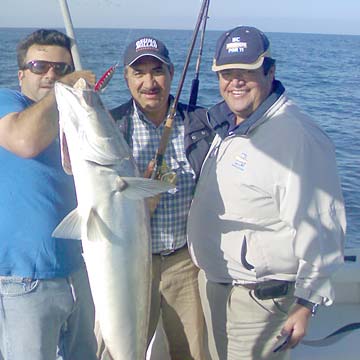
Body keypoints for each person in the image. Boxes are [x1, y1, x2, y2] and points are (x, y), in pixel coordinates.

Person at [187, 26, 346, 360]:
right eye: (227, 73)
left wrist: (305, 304)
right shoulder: (230, 124)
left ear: (270, 71)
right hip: (217, 288)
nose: (236, 82)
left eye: (247, 72)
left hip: (259, 301)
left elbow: (323, 227)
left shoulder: (295, 136)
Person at [95, 36, 213, 360]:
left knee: (193, 353)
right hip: (130, 264)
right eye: (139, 72)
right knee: (115, 351)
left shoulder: (200, 124)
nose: (149, 82)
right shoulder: (111, 127)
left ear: (172, 74)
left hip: (184, 263)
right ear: (127, 79)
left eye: (157, 71)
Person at [0, 29, 98, 360]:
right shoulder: (6, 102)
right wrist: (66, 88)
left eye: (61, 68)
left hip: (79, 271)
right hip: (24, 280)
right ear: (21, 73)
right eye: (40, 66)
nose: (51, 74)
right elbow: (23, 142)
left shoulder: (70, 119)